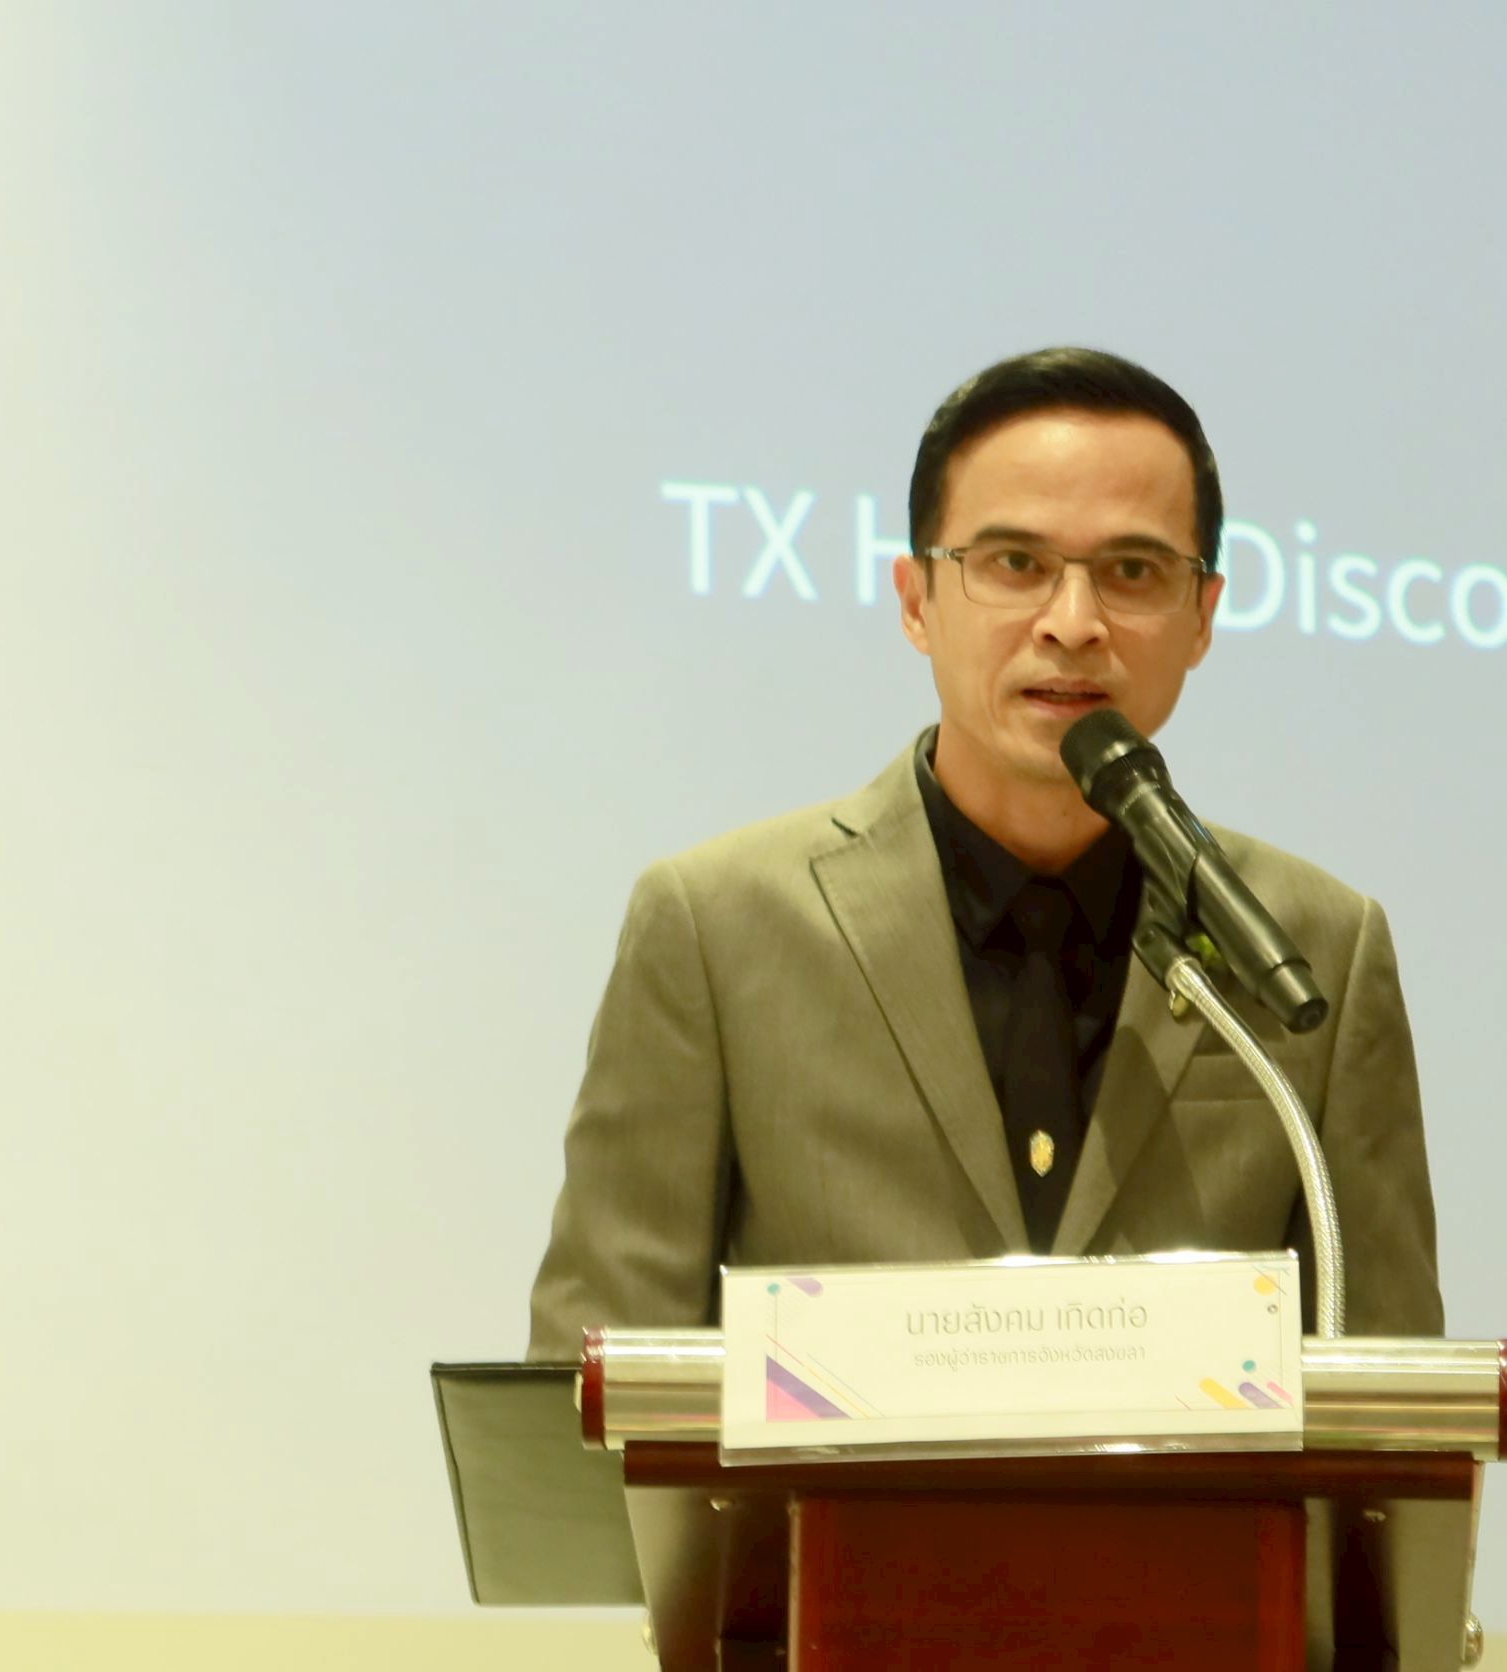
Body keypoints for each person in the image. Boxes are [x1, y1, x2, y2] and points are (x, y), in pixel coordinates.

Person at [527, 347, 1442, 1360]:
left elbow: (1394, 1397)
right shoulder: (717, 928)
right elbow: (594, 1382)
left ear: (1203, 618)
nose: (1074, 624)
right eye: (1016, 565)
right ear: (917, 599)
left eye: (1133, 572)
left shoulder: (1314, 947)